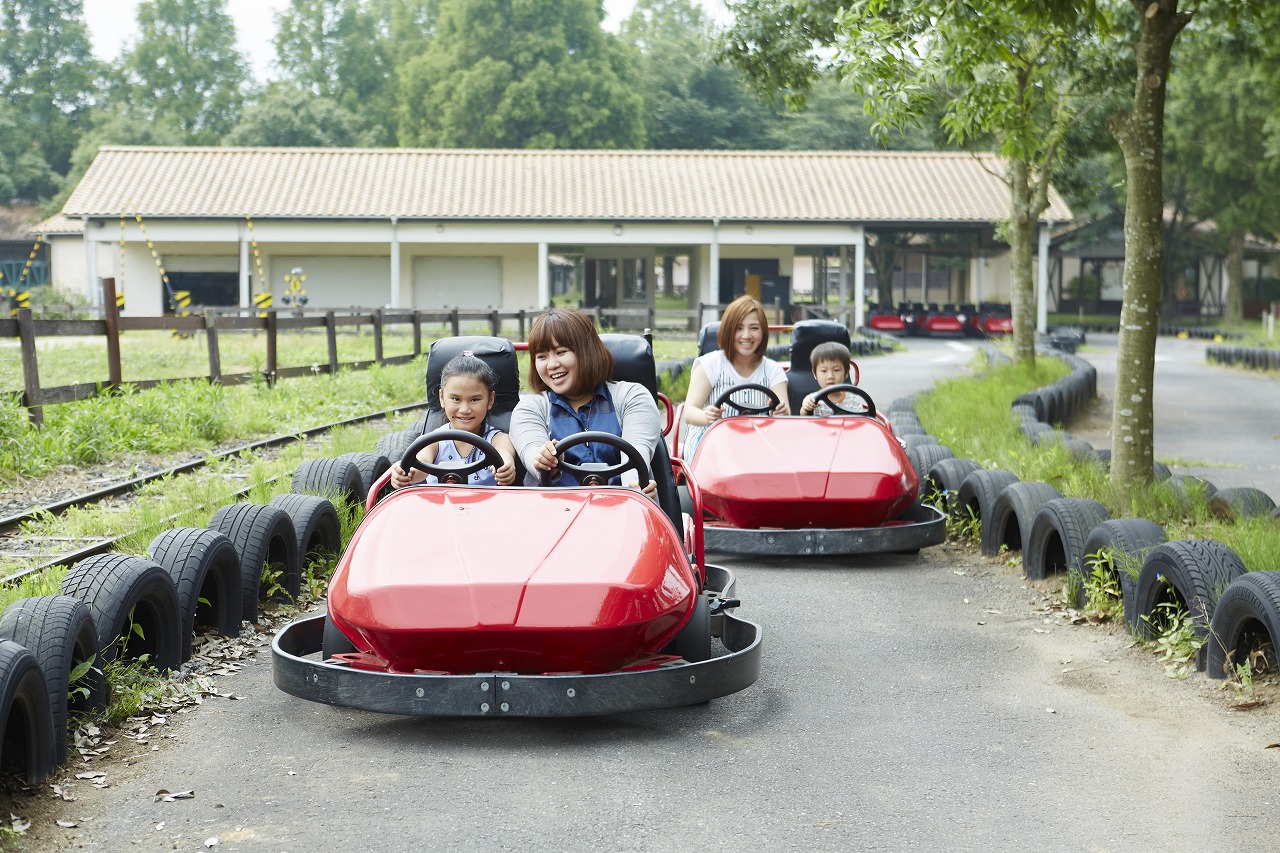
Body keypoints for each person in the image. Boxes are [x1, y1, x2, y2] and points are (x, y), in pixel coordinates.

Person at [510, 308, 660, 497]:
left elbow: (636, 454)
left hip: (621, 509)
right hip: (554, 514)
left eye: (561, 352)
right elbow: (532, 453)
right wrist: (546, 459)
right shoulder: (530, 408)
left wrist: (634, 487)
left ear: (587, 352)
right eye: (542, 356)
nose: (551, 364)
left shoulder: (632, 396)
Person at [681, 295, 790, 454]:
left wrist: (780, 413)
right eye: (739, 328)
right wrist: (707, 416)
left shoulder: (773, 370)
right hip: (712, 442)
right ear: (728, 331)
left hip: (758, 443)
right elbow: (690, 411)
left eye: (754, 328)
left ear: (763, 332)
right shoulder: (710, 364)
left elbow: (784, 413)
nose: (746, 335)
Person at [388, 354, 517, 488]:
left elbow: (505, 455)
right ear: (442, 398)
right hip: (441, 505)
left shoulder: (498, 439)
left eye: (475, 400)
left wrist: (506, 468)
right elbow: (421, 461)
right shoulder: (433, 442)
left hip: (486, 506)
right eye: (456, 399)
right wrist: (407, 474)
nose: (465, 409)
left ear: (490, 400)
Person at [800, 341, 867, 416]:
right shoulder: (812, 399)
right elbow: (804, 418)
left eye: (836, 370)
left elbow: (860, 422)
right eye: (824, 371)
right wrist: (805, 408)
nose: (830, 376)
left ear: (846, 373)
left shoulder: (853, 401)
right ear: (815, 374)